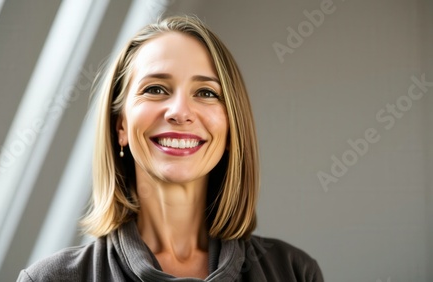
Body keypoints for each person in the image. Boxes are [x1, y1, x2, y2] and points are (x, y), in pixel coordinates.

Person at [17, 15, 324, 282]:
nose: (179, 111)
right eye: (155, 89)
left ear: (232, 130)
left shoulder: (294, 272)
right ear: (120, 126)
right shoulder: (50, 279)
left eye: (205, 92)